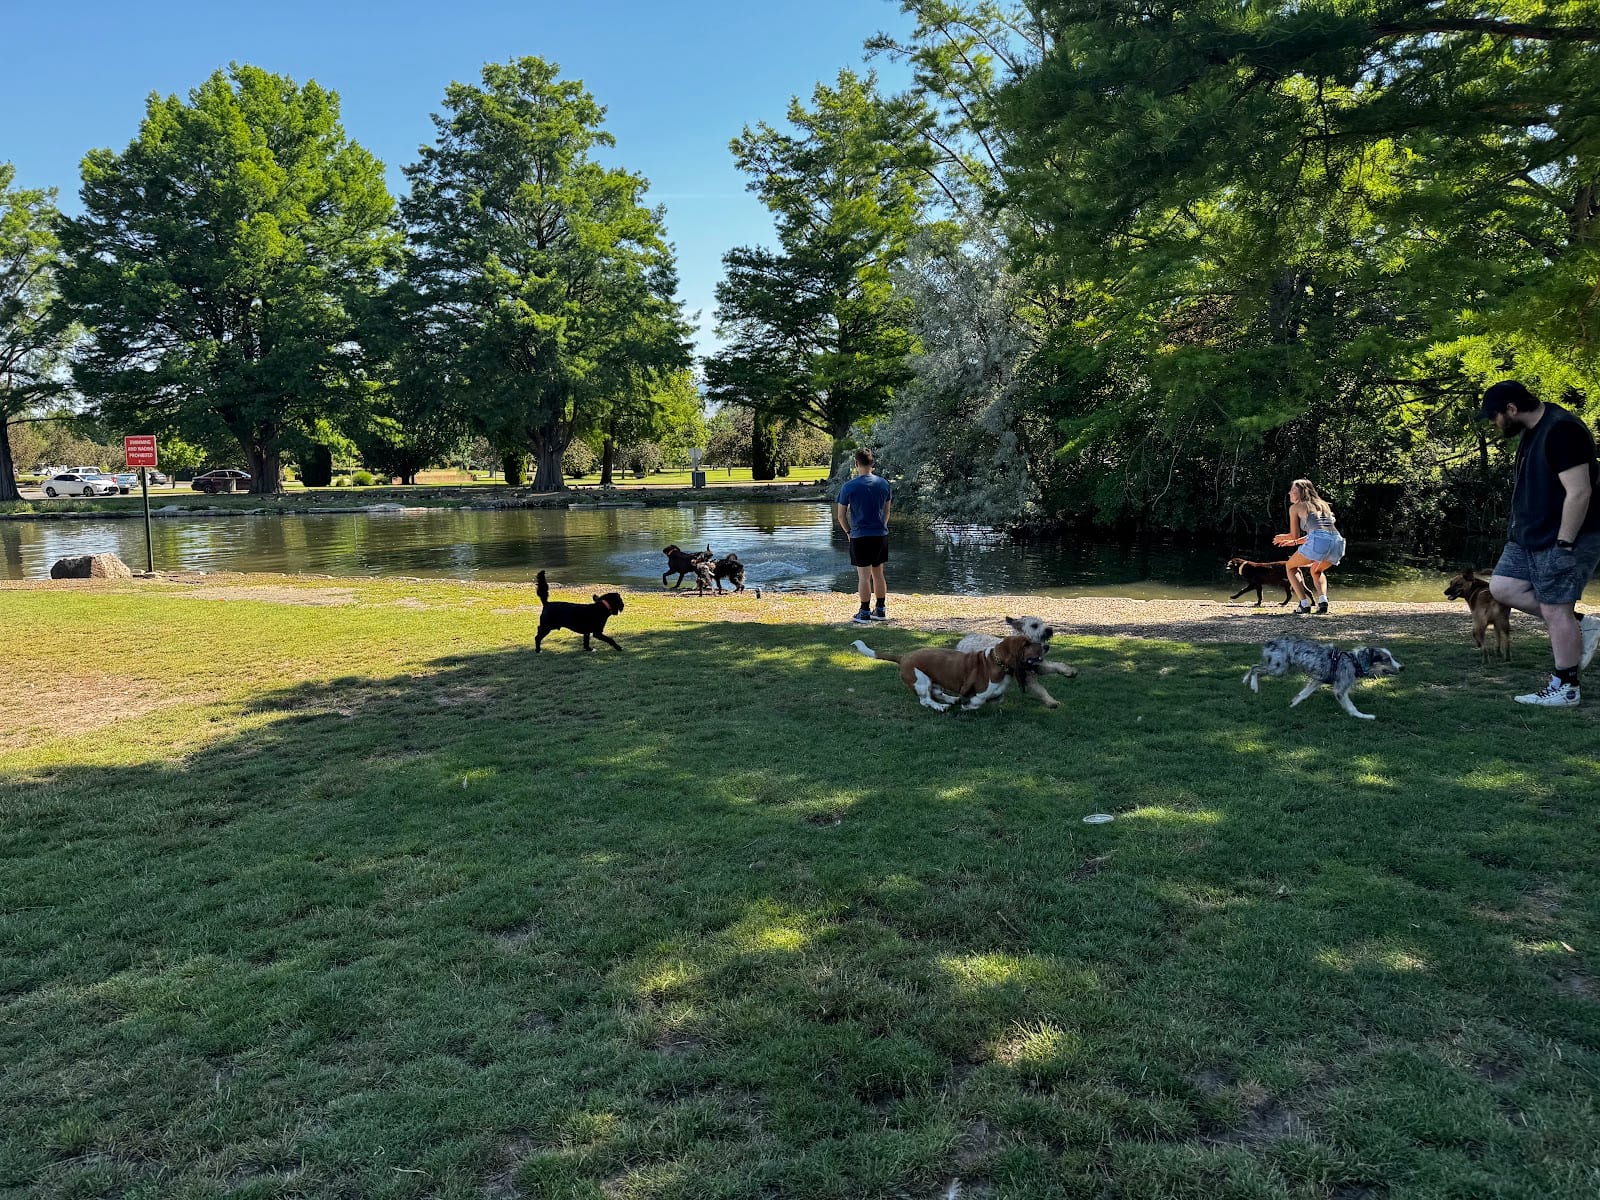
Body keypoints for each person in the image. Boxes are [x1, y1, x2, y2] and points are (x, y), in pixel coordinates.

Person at [1479, 380, 1600, 707]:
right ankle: (1581, 625)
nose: (1494, 423)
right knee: (1503, 587)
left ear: (1512, 409)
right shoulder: (1533, 430)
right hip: (1529, 536)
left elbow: (1580, 492)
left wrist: (1564, 544)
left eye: (1495, 416)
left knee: (1554, 606)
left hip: (1563, 537)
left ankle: (1566, 687)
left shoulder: (1563, 431)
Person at [835, 447, 892, 624]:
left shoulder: (849, 486)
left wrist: (848, 532)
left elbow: (840, 515)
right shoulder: (883, 484)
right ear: (872, 463)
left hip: (860, 536)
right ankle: (881, 610)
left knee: (863, 576)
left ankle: (865, 612)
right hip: (880, 534)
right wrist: (882, 526)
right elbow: (887, 511)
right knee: (878, 574)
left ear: (856, 464)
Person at [1272, 478, 1345, 615]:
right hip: (1337, 542)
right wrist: (1294, 543)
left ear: (1301, 491)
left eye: (1293, 490)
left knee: (1290, 566)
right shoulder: (1323, 504)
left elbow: (1295, 534)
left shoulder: (1296, 507)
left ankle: (1304, 604)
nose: (1289, 493)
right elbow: (1320, 533)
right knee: (1316, 570)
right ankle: (1323, 602)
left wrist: (1283, 537)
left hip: (1320, 541)